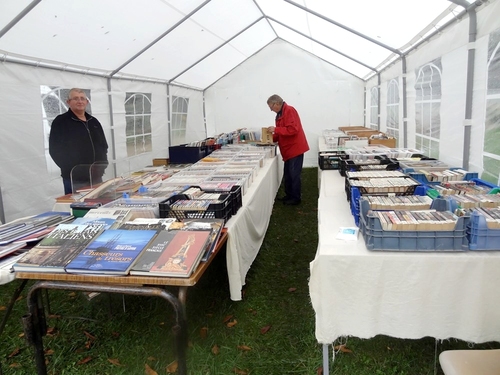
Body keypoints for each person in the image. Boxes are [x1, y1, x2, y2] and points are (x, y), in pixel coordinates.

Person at [49, 88, 108, 195]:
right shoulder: (61, 122)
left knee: (99, 205)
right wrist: (70, 169)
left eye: (82, 98)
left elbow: (103, 145)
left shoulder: (94, 121)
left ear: (87, 102)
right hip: (75, 179)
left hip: (96, 177)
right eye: (75, 98)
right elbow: (55, 150)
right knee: (80, 209)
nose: (80, 101)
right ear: (68, 102)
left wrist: (102, 166)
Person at [267, 94, 309, 205]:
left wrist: (276, 129)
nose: (271, 110)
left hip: (295, 148)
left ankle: (295, 198)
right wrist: (270, 138)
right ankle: (289, 195)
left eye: (271, 107)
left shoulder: (289, 111)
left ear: (276, 104)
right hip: (288, 149)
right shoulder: (280, 114)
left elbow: (293, 129)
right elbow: (281, 133)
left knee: (294, 174)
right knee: (288, 174)